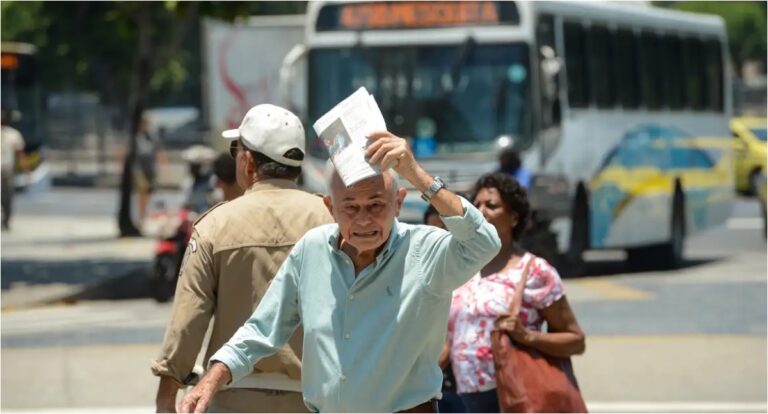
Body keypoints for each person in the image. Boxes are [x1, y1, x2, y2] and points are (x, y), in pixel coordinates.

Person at [179, 130, 502, 413]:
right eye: (350, 207)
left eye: (376, 205)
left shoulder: (426, 251)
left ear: (399, 202)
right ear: (330, 207)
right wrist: (211, 381)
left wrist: (416, 174)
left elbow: (484, 243)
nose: (363, 220)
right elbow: (262, 329)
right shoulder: (311, 249)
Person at [151, 104, 334, 413]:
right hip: (318, 396)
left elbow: (188, 321)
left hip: (231, 395)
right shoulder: (333, 220)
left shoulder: (214, 226)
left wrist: (166, 397)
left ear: (248, 162)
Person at [443, 172, 585, 412]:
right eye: (476, 205)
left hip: (513, 394)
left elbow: (575, 340)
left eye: (492, 205)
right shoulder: (462, 266)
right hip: (464, 396)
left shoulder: (535, 271)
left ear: (514, 217)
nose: (481, 211)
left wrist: (527, 336)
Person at [134, 114, 168, 225]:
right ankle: (141, 214)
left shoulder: (152, 137)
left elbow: (159, 150)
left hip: (150, 168)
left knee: (148, 192)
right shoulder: (136, 136)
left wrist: (164, 166)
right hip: (139, 168)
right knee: (142, 190)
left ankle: (144, 212)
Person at [1, 108, 27, 231]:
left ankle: (6, 219)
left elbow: (20, 154)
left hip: (7, 170)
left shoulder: (13, 134)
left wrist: (25, 169)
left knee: (8, 197)